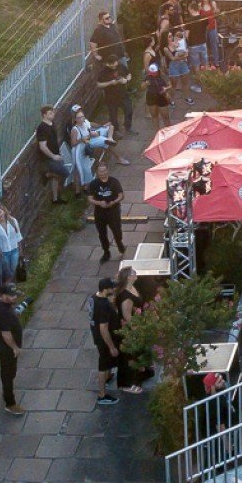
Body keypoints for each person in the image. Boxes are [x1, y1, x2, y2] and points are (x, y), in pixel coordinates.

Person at [89, 277, 132, 406]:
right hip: (104, 341)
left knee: (106, 364)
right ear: (105, 290)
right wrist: (112, 347)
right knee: (103, 365)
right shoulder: (103, 306)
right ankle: (102, 395)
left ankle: (107, 378)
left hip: (98, 337)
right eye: (111, 287)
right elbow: (103, 329)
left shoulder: (94, 297)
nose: (113, 289)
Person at [0, 283, 25, 415]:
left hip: (0, 344)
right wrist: (15, 348)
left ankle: (6, 390)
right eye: (11, 295)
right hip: (5, 347)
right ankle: (10, 403)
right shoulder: (2, 312)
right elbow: (6, 334)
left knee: (10, 371)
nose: (15, 297)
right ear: (3, 295)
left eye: (15, 294)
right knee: (8, 373)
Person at [89, 156, 126, 261]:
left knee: (117, 230)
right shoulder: (94, 184)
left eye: (104, 171)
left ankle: (119, 242)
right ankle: (106, 251)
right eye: (100, 172)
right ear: (97, 172)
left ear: (107, 170)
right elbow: (90, 198)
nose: (103, 173)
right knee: (102, 233)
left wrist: (113, 202)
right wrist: (99, 203)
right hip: (100, 212)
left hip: (113, 211)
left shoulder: (114, 181)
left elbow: (121, 195)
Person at [33, 105, 71, 203]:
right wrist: (53, 156)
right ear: (44, 115)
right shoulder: (42, 128)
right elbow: (42, 146)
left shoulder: (52, 123)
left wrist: (57, 153)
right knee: (65, 173)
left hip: (57, 154)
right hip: (49, 158)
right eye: (50, 113)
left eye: (53, 112)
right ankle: (47, 174)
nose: (53, 114)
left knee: (56, 177)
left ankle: (55, 198)